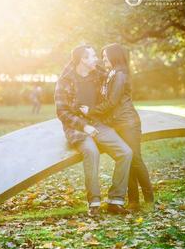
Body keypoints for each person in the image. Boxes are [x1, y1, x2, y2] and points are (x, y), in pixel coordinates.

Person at [55, 44, 133, 217]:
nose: (96, 59)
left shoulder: (100, 75)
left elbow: (115, 88)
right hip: (77, 127)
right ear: (82, 59)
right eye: (91, 56)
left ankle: (115, 200)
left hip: (98, 123)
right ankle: (94, 203)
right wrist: (84, 126)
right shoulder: (64, 81)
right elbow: (62, 112)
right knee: (92, 152)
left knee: (126, 153)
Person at [79, 43, 154, 211]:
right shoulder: (111, 74)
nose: (103, 58)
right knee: (126, 160)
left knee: (135, 160)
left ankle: (149, 199)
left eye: (105, 56)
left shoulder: (119, 75)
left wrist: (91, 111)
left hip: (128, 124)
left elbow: (112, 102)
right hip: (117, 124)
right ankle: (133, 201)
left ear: (114, 56)